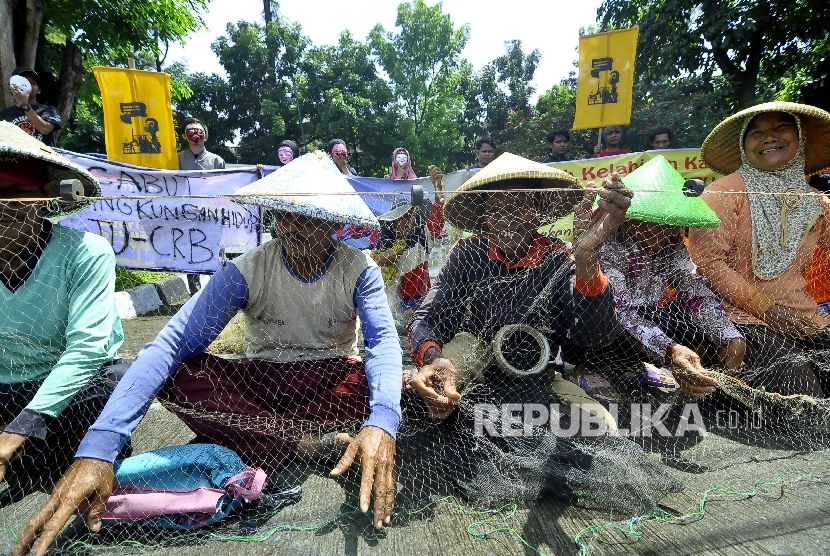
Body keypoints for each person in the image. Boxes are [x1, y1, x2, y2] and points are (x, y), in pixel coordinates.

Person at [10, 153, 403, 555]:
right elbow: (173, 343)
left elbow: (383, 344)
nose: (293, 226)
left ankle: (254, 435)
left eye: (310, 217)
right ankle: (305, 444)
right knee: (180, 373)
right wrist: (100, 447)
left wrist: (383, 421)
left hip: (329, 379)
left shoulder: (359, 269)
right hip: (260, 380)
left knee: (392, 386)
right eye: (285, 213)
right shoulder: (250, 268)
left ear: (336, 225)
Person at [404, 153, 684, 512]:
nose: (505, 214)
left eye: (519, 204)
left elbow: (593, 335)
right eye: (496, 205)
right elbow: (428, 316)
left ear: (537, 212)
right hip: (473, 366)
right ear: (485, 214)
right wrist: (433, 357)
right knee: (422, 402)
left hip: (537, 378)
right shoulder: (467, 252)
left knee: (601, 433)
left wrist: (588, 262)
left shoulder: (560, 257)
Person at [0, 122, 126, 497]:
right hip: (6, 389)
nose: (4, 205)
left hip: (69, 388)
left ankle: (42, 455)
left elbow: (88, 349)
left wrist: (19, 428)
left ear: (45, 195)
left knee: (115, 389)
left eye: (17, 193)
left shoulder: (84, 251)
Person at [689, 102, 830, 398]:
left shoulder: (817, 202)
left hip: (806, 316)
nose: (769, 137)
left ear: (800, 138)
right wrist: (769, 310)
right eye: (756, 133)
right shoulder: (722, 194)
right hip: (739, 318)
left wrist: (790, 314)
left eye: (781, 127)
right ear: (743, 146)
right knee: (807, 407)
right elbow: (708, 264)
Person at [575, 155, 745, 402]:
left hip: (644, 319)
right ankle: (588, 368)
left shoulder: (672, 243)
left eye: (670, 222)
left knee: (694, 325)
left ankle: (641, 368)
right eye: (654, 221)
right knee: (602, 324)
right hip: (602, 323)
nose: (663, 229)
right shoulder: (607, 244)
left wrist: (730, 337)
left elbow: (692, 289)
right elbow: (619, 311)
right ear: (630, 218)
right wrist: (670, 349)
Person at [371, 152, 445, 321]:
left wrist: (438, 187)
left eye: (405, 218)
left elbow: (438, 217)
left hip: (419, 300)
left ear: (413, 219)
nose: (401, 223)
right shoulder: (384, 242)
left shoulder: (422, 238)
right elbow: (366, 259)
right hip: (391, 302)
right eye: (397, 219)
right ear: (391, 221)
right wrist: (381, 258)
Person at [0, 67, 61, 147]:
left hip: (41, 158)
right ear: (12, 87)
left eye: (33, 82)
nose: (28, 84)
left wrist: (24, 104)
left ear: (39, 90)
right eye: (24, 81)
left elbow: (45, 129)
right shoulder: (3, 114)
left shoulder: (49, 110)